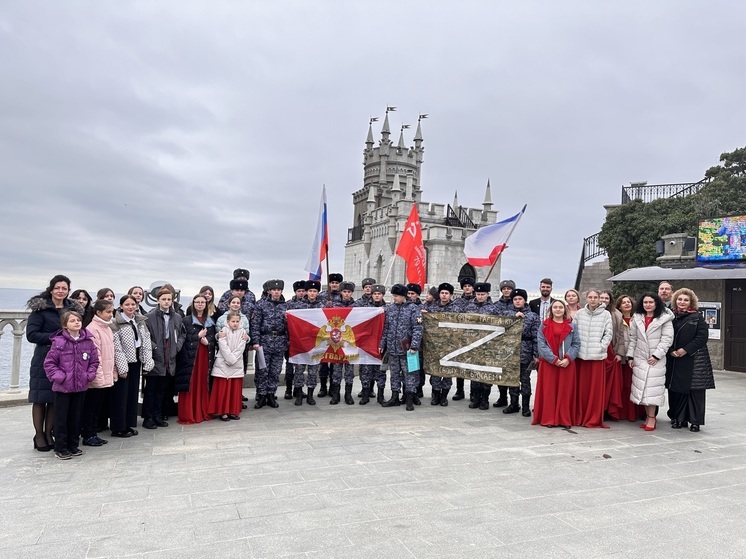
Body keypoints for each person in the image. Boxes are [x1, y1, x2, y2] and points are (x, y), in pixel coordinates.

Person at [26, 275, 81, 452]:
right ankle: (39, 435)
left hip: (65, 361)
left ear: (68, 291)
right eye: (57, 288)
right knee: (40, 398)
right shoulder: (41, 309)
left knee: (54, 398)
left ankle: (49, 433)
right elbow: (31, 335)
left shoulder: (71, 309)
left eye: (64, 288)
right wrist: (55, 338)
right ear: (51, 289)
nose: (60, 291)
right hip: (44, 358)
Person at [43, 311, 99, 459]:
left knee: (76, 416)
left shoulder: (87, 341)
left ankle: (73, 445)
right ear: (65, 325)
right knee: (62, 418)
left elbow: (94, 361)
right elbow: (49, 363)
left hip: (80, 386)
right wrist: (60, 377)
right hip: (62, 388)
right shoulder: (59, 342)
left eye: (78, 320)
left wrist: (89, 375)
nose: (76, 323)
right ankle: (60, 447)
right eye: (72, 321)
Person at [666, 288, 715, 432]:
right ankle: (677, 418)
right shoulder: (670, 317)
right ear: (675, 301)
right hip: (674, 358)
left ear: (691, 302)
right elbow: (665, 336)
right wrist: (671, 351)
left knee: (695, 391)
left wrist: (685, 350)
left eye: (686, 300)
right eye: (680, 299)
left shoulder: (697, 317)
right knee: (676, 390)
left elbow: (701, 338)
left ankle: (695, 421)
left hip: (695, 359)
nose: (682, 302)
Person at [626, 293, 674, 432]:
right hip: (640, 358)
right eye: (645, 302)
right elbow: (633, 338)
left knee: (652, 390)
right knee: (642, 388)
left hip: (655, 359)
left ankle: (652, 417)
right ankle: (648, 416)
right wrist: (631, 357)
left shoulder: (664, 318)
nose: (648, 305)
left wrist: (656, 355)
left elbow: (667, 339)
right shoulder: (637, 318)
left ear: (656, 303)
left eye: (651, 302)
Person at [110, 294, 154, 437]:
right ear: (121, 306)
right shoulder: (116, 322)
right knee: (121, 396)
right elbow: (117, 347)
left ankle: (128, 424)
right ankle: (118, 427)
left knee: (132, 394)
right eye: (127, 304)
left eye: (133, 305)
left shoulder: (139, 321)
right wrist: (122, 367)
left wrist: (148, 360)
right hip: (124, 361)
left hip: (136, 359)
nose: (130, 307)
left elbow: (146, 340)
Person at [533, 300, 580, 428]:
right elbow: (541, 345)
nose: (558, 309)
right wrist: (554, 359)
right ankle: (549, 419)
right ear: (551, 310)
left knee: (565, 391)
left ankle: (564, 419)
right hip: (549, 364)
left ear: (564, 310)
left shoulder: (572, 326)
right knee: (549, 391)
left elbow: (576, 344)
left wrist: (568, 358)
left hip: (566, 364)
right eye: (555, 307)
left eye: (560, 307)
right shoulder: (544, 325)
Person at [143, 287, 185, 429]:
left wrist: (176, 347)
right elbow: (146, 335)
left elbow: (181, 334)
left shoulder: (177, 317)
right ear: (158, 300)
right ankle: (148, 418)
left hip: (170, 356)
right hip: (155, 356)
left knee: (162, 389)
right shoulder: (149, 317)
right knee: (151, 389)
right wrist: (154, 347)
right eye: (164, 299)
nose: (167, 302)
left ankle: (158, 415)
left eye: (169, 299)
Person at [573, 289, 613, 428]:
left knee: (594, 390)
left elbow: (608, 334)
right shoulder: (579, 314)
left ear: (599, 299)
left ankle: (593, 417)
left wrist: (601, 347)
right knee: (581, 389)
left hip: (597, 357)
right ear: (586, 298)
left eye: (595, 297)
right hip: (581, 357)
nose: (593, 299)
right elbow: (574, 332)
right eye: (590, 297)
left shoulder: (606, 314)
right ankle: (579, 416)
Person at [380, 284, 423, 411]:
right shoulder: (390, 309)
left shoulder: (413, 309)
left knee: (409, 374)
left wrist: (414, 346)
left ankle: (409, 399)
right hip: (392, 349)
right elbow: (386, 328)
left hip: (407, 349)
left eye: (396, 296)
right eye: (393, 296)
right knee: (394, 374)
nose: (394, 298)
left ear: (403, 296)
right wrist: (383, 344)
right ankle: (394, 397)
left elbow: (418, 329)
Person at [175, 295, 216, 424]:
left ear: (206, 304)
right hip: (191, 357)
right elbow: (182, 340)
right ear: (193, 304)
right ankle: (189, 413)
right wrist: (197, 337)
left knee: (203, 383)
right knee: (191, 384)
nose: (200, 304)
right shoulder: (186, 320)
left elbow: (213, 341)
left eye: (202, 302)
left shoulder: (210, 321)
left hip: (204, 356)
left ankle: (202, 411)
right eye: (197, 302)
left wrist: (207, 342)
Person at [81, 299, 116, 447]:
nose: (111, 314)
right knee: (91, 407)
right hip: (97, 377)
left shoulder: (107, 328)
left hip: (105, 375)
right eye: (108, 312)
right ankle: (88, 434)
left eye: (112, 312)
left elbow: (111, 354)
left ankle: (93, 433)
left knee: (97, 407)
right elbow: (97, 357)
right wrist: (100, 377)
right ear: (99, 313)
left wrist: (112, 372)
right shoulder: (93, 329)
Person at [250, 279, 288, 409]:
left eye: (279, 290)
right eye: (274, 290)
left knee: (275, 371)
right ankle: (261, 396)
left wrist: (287, 341)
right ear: (269, 291)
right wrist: (255, 341)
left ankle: (271, 394)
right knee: (262, 370)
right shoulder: (261, 305)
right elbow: (255, 325)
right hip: (264, 343)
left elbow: (289, 326)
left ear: (281, 291)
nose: (276, 292)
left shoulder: (285, 306)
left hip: (279, 342)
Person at [503, 288, 540, 417]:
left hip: (526, 352)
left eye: (520, 299)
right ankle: (513, 403)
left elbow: (536, 337)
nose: (517, 301)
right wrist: (514, 317)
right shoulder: (506, 314)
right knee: (512, 379)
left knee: (525, 380)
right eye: (515, 299)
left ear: (525, 300)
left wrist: (536, 355)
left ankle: (525, 406)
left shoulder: (533, 316)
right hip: (510, 352)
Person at [421, 282, 458, 405]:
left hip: (450, 347)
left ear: (450, 295)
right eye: (442, 293)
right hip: (434, 346)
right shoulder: (432, 307)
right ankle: (435, 395)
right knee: (435, 372)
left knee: (447, 373)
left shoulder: (456, 309)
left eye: (446, 293)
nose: (444, 295)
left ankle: (444, 396)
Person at [209, 311, 249, 421]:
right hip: (223, 363)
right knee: (223, 388)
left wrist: (233, 359)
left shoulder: (243, 332)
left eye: (237, 321)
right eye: (233, 321)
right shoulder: (223, 331)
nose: (235, 323)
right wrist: (230, 358)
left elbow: (242, 346)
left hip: (236, 363)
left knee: (234, 389)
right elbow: (222, 345)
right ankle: (223, 411)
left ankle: (233, 410)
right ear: (228, 321)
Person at [464, 282, 497, 410]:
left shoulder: (494, 309)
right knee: (474, 374)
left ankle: (485, 399)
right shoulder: (469, 307)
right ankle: (475, 398)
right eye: (478, 294)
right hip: (473, 346)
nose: (480, 296)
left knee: (485, 374)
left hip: (488, 346)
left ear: (487, 294)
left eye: (483, 294)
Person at [292, 280, 323, 406]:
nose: (312, 293)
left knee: (313, 371)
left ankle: (310, 395)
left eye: (314, 291)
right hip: (300, 343)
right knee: (299, 370)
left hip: (316, 343)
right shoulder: (298, 306)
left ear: (318, 292)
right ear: (306, 292)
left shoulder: (322, 306)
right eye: (310, 291)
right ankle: (299, 394)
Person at [614, 295, 644, 422]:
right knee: (624, 385)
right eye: (623, 302)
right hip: (621, 357)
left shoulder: (638, 318)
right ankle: (623, 412)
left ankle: (636, 412)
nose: (626, 304)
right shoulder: (617, 318)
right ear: (619, 306)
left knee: (635, 384)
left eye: (628, 302)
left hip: (636, 357)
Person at [358, 284, 387, 405]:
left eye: (379, 294)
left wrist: (383, 343)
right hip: (367, 344)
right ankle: (365, 394)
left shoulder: (387, 309)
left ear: (382, 295)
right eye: (375, 294)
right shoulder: (364, 307)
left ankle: (380, 395)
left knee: (381, 371)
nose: (377, 296)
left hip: (381, 345)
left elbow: (387, 328)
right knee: (366, 370)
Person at [330, 281, 357, 405]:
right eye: (344, 292)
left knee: (349, 371)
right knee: (336, 371)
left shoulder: (357, 306)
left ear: (352, 293)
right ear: (341, 292)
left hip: (350, 344)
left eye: (349, 292)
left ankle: (348, 395)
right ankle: (335, 395)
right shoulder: (333, 305)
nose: (346, 294)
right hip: (336, 343)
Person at [599, 289, 625, 421]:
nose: (603, 301)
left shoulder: (617, 314)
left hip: (612, 352)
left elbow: (621, 335)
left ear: (610, 300)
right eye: (601, 298)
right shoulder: (594, 313)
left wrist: (620, 353)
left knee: (611, 384)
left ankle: (609, 410)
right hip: (597, 352)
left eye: (606, 298)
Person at [452, 277, 476, 400]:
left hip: (474, 339)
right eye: (465, 286)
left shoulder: (477, 301)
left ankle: (473, 393)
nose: (467, 288)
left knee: (472, 365)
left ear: (473, 287)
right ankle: (459, 390)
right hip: (460, 338)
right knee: (459, 365)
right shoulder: (457, 302)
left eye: (469, 286)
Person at [284, 281, 307, 399]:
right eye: (299, 291)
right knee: (289, 366)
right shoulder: (288, 304)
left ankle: (298, 389)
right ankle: (288, 389)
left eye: (303, 291)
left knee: (300, 367)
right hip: (290, 340)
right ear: (295, 292)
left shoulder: (308, 305)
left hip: (303, 341)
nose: (301, 293)